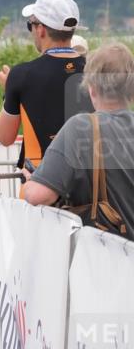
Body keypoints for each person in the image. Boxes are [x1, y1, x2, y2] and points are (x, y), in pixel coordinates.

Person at [23, 43, 134, 238]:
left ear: (91, 88)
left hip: (107, 257)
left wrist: (31, 182)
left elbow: (39, 196)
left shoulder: (80, 127)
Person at [0, 0, 93, 170]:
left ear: (41, 30)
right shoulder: (95, 71)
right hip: (89, 181)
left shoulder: (21, 75)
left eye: (29, 25)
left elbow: (5, 137)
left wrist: (8, 90)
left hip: (40, 181)